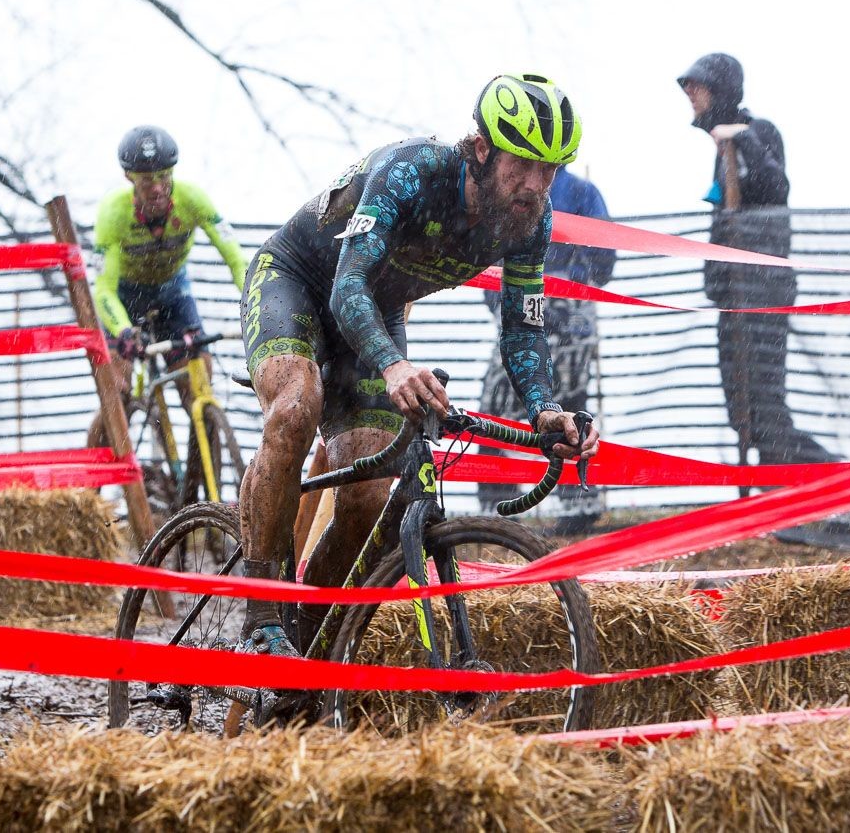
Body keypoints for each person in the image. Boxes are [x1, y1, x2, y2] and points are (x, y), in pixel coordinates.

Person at [238, 73, 601, 657]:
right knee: (296, 407)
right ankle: (259, 613)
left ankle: (307, 637)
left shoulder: (532, 222)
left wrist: (546, 410)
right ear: (482, 150)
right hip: (298, 283)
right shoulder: (415, 172)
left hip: (374, 312)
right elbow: (346, 283)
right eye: (522, 166)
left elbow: (523, 327)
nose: (535, 186)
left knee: (369, 498)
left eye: (550, 170)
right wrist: (392, 364)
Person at [677, 53, 831, 465]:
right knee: (740, 406)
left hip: (762, 290)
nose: (690, 94)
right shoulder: (722, 148)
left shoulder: (759, 132)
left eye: (698, 85)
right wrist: (716, 277)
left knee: (765, 403)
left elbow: (775, 187)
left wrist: (741, 136)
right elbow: (727, 218)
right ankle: (778, 488)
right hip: (734, 294)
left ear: (721, 89)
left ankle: (827, 478)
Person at [477, 164, 615, 535]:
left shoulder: (583, 193)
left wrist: (575, 271)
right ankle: (495, 503)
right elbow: (489, 256)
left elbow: (605, 263)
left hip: (570, 322)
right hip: (523, 309)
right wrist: (499, 303)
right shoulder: (508, 189)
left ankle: (578, 504)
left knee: (567, 404)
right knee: (495, 402)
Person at [93, 125, 247, 402]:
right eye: (146, 181)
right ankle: (112, 435)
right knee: (116, 397)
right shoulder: (113, 212)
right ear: (129, 178)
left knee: (200, 391)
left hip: (172, 293)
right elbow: (103, 289)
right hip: (125, 298)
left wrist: (255, 302)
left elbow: (236, 259)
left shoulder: (193, 198)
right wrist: (123, 331)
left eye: (164, 177)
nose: (157, 189)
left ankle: (205, 437)